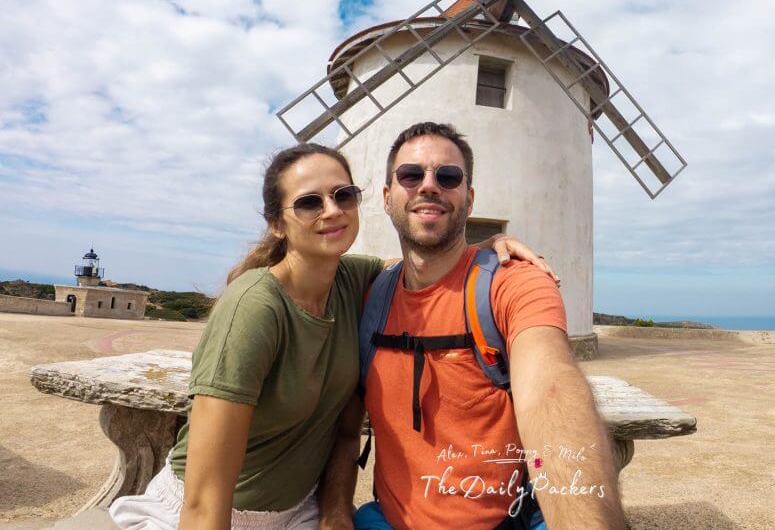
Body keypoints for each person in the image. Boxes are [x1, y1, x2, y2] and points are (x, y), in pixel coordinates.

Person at [107, 142, 548, 530]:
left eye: (343, 195)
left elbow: (425, 263)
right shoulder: (255, 307)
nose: (332, 210)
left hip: (298, 512)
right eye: (308, 203)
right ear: (277, 223)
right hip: (210, 512)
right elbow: (204, 498)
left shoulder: (354, 280)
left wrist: (483, 249)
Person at [319, 123, 627, 530]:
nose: (429, 185)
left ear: (469, 198)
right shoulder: (370, 294)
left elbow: (551, 392)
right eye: (411, 174)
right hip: (390, 521)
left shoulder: (515, 282)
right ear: (387, 196)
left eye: (449, 176)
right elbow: (345, 428)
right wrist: (336, 514)